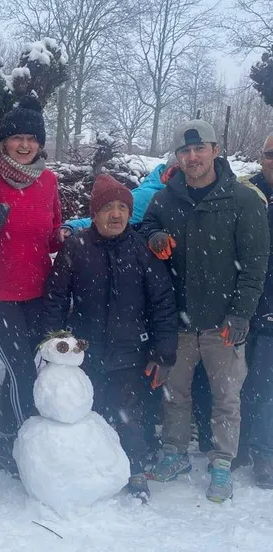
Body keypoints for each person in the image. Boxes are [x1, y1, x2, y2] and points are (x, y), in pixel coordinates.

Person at [140, 119, 269, 503]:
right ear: (177, 157)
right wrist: (154, 236)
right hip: (179, 321)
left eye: (199, 149)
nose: (192, 157)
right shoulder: (165, 199)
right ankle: (175, 453)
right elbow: (145, 225)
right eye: (184, 151)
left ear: (216, 150)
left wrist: (241, 313)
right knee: (175, 394)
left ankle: (222, 463)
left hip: (223, 323)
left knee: (226, 397)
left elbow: (256, 263)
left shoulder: (243, 200)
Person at [43, 174, 177, 501]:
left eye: (122, 207)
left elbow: (163, 303)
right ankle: (90, 470)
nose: (115, 214)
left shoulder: (142, 249)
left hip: (131, 352)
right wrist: (54, 344)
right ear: (94, 213)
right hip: (85, 352)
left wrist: (163, 352)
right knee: (89, 413)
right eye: (107, 208)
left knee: (130, 415)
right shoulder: (76, 247)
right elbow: (57, 298)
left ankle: (134, 469)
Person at [0, 96, 64, 475]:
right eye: (17, 137)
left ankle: (8, 440)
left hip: (36, 290)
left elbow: (51, 234)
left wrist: (69, 235)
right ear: (4, 142)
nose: (25, 145)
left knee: (25, 367)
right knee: (21, 368)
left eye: (32, 139)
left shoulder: (49, 181)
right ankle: (27, 446)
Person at [242, 134, 273, 488]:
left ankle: (264, 452)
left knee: (266, 385)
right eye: (270, 154)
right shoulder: (247, 192)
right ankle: (236, 446)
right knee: (237, 382)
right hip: (241, 301)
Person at [61, 156, 177, 234]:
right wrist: (73, 227)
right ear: (168, 174)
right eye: (178, 173)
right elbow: (103, 220)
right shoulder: (150, 195)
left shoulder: (159, 190)